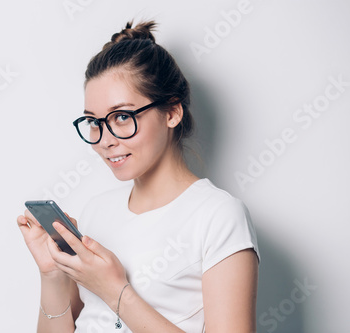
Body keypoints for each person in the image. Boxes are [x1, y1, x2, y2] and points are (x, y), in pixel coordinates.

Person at [17, 19, 260, 333]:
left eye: (121, 116)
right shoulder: (96, 210)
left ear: (172, 112)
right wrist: (52, 274)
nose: (105, 140)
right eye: (93, 121)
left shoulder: (218, 215)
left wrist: (115, 291)